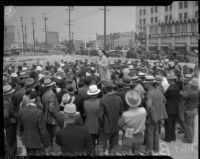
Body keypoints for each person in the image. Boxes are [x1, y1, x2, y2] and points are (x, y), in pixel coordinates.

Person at [19, 91, 50, 156]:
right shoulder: (39, 112)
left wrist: (22, 136)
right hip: (37, 142)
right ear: (37, 100)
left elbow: (20, 127)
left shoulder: (22, 111)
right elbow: (43, 130)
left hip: (27, 140)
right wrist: (46, 144)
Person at [97, 80, 123, 155]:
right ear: (112, 88)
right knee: (113, 146)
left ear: (104, 89)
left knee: (101, 146)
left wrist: (101, 126)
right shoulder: (118, 98)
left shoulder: (103, 100)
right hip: (115, 125)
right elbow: (121, 113)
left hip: (106, 126)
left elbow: (100, 116)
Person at [143, 76, 168, 155]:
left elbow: (149, 106)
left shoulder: (149, 93)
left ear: (150, 83)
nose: (144, 84)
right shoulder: (158, 91)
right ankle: (156, 148)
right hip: (158, 116)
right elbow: (164, 100)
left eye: (145, 83)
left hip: (151, 116)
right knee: (156, 133)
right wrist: (158, 108)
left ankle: (149, 150)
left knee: (149, 133)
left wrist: (146, 115)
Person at [118, 90, 147, 155]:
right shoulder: (143, 110)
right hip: (140, 136)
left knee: (127, 152)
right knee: (137, 152)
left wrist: (123, 127)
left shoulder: (125, 114)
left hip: (129, 136)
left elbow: (119, 124)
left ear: (128, 102)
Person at [42, 78, 64, 155]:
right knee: (55, 138)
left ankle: (51, 152)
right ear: (51, 86)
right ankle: (55, 153)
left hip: (47, 118)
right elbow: (51, 108)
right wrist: (57, 115)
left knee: (50, 137)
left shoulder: (44, 95)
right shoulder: (51, 94)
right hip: (53, 120)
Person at [179, 78, 199, 143]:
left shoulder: (192, 92)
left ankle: (188, 139)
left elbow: (183, 95)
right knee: (192, 125)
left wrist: (181, 91)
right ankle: (191, 137)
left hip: (189, 110)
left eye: (191, 84)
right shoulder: (197, 91)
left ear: (193, 85)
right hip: (194, 109)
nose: (190, 85)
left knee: (188, 125)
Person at [83, 85, 101, 154]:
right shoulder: (101, 101)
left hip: (89, 126)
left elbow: (85, 113)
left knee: (91, 146)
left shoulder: (85, 102)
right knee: (100, 144)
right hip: (99, 126)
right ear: (97, 93)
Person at [164, 73, 180, 142]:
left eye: (168, 79)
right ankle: (173, 137)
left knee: (167, 124)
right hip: (175, 108)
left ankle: (168, 138)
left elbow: (164, 95)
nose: (167, 80)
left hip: (169, 109)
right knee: (173, 124)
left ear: (170, 80)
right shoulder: (177, 86)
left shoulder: (170, 88)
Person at [3, 84, 18, 156]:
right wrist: (12, 120)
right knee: (10, 142)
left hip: (10, 126)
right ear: (9, 94)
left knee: (11, 141)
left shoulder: (7, 101)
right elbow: (5, 115)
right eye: (12, 92)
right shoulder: (7, 103)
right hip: (10, 126)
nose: (13, 93)